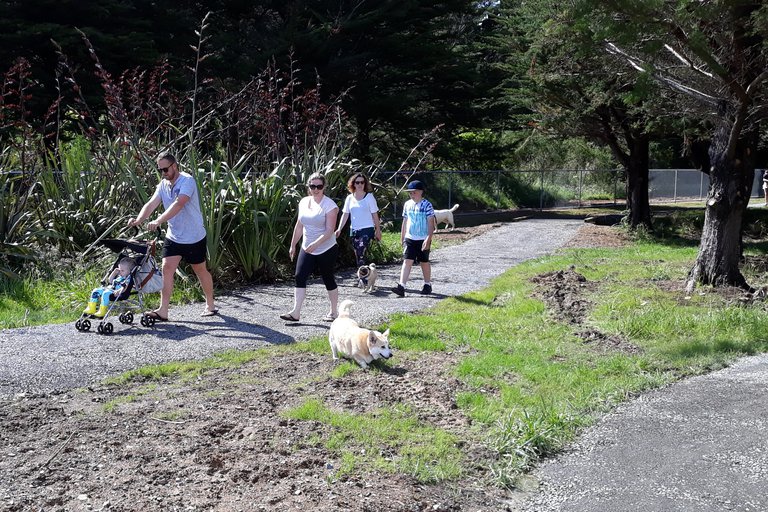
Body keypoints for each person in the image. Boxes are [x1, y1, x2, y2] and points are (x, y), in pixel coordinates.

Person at [127, 153, 217, 321]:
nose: (163, 173)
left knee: (200, 270)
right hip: (174, 236)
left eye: (166, 169)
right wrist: (139, 220)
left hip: (193, 236)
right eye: (160, 170)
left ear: (175, 166)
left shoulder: (187, 181)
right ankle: (163, 311)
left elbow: (179, 204)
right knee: (166, 268)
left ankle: (210, 304)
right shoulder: (163, 185)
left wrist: (159, 220)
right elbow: (151, 203)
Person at [281, 173, 340, 322]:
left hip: (326, 247)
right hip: (307, 247)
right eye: (312, 186)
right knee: (299, 276)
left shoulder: (330, 205)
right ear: (308, 187)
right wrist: (293, 245)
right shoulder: (304, 202)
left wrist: (316, 244)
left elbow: (329, 230)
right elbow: (300, 225)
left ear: (324, 187)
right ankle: (296, 312)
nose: (315, 189)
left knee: (328, 278)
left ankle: (334, 312)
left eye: (319, 186)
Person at [334, 172, 382, 284]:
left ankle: (362, 279)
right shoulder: (349, 198)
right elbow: (345, 214)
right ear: (353, 184)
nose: (360, 184)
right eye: (357, 182)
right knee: (358, 255)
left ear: (365, 184)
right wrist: (339, 229)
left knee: (361, 252)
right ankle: (365, 277)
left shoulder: (369, 197)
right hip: (354, 230)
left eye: (362, 182)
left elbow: (375, 215)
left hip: (367, 229)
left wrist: (378, 230)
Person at [391, 180, 436, 297]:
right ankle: (401, 286)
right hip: (410, 238)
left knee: (424, 262)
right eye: (410, 192)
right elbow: (405, 221)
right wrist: (402, 237)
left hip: (422, 238)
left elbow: (431, 223)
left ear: (421, 192)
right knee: (407, 261)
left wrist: (428, 238)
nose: (412, 194)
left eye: (414, 192)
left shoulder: (427, 205)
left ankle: (427, 284)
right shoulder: (407, 204)